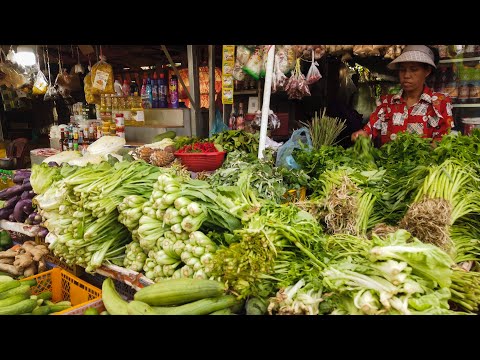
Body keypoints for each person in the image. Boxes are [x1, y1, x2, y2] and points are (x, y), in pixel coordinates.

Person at [351, 45, 454, 146]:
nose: (406, 75)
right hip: (388, 162)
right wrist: (361, 135)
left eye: (413, 69)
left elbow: (443, 141)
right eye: (402, 70)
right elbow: (370, 130)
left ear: (427, 71)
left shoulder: (439, 103)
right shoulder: (387, 103)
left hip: (425, 162)